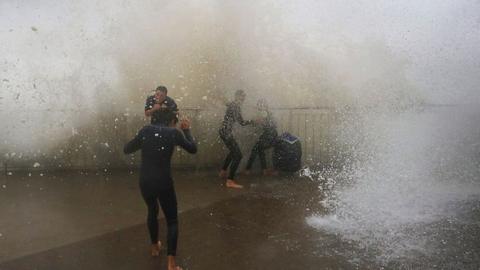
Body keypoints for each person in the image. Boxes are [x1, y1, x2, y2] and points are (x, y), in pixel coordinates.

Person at [124, 111, 196, 270]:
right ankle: (171, 264)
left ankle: (155, 247)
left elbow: (127, 149)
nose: (174, 125)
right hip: (163, 181)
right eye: (174, 122)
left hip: (145, 181)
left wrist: (142, 139)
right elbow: (193, 148)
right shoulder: (174, 133)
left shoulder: (145, 130)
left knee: (152, 210)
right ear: (171, 120)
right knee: (172, 220)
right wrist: (187, 130)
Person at [218, 89, 252, 189]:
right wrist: (254, 121)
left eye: (244, 97)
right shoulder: (235, 106)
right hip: (226, 132)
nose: (244, 99)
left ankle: (223, 172)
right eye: (242, 97)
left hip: (224, 131)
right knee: (238, 155)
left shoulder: (233, 104)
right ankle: (230, 180)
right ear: (237, 96)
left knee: (233, 152)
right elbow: (242, 122)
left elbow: (229, 107)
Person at [244, 98, 279, 176]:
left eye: (259, 105)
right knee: (259, 149)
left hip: (269, 134)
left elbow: (259, 121)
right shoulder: (267, 112)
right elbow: (267, 123)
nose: (258, 107)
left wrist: (251, 122)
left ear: (263, 105)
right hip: (271, 134)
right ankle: (264, 170)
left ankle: (248, 169)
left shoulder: (264, 112)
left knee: (256, 148)